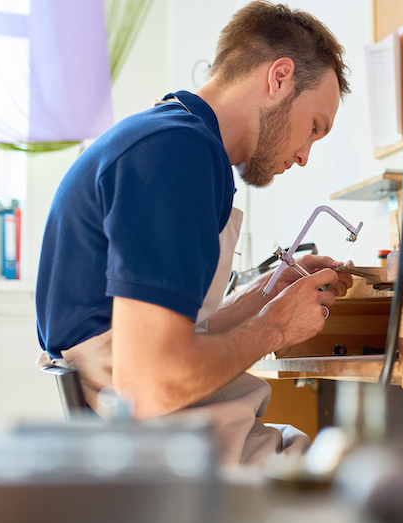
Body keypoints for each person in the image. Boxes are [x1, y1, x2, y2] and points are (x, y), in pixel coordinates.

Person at [35, 1, 354, 466]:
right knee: (355, 478)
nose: (304, 154)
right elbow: (153, 382)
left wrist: (260, 300)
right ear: (279, 77)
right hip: (171, 460)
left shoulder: (169, 138)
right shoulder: (175, 153)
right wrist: (275, 326)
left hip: (157, 443)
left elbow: (161, 337)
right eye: (313, 128)